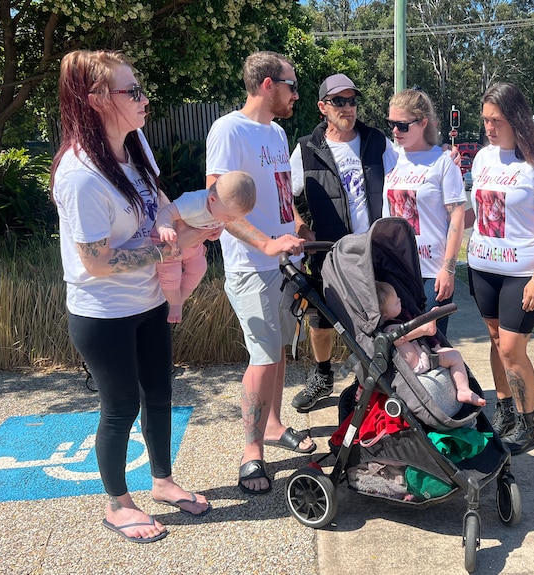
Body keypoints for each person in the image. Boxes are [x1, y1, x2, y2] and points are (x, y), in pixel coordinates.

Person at [50, 49, 212, 543]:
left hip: (147, 304)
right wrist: (170, 250)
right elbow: (95, 262)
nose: (144, 98)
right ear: (97, 99)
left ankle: (162, 482)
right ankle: (118, 504)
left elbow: (159, 203)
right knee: (119, 406)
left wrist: (170, 227)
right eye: (133, 91)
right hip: (103, 314)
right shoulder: (80, 174)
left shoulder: (136, 142)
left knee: (159, 393)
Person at [205, 51, 314, 496]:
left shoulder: (277, 131)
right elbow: (218, 202)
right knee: (263, 356)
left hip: (285, 262)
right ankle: (251, 452)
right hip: (253, 265)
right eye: (291, 84)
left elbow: (282, 195)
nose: (296, 93)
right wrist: (267, 243)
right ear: (268, 84)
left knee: (278, 352)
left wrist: (295, 229)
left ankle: (272, 424)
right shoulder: (229, 130)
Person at [289, 73, 399, 413]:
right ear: (323, 107)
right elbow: (283, 195)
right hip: (328, 252)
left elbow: (405, 177)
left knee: (375, 319)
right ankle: (323, 377)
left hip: (372, 250)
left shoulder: (377, 142)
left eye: (352, 101)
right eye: (339, 101)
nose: (347, 108)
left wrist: (441, 159)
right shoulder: (306, 149)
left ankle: (367, 382)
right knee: (321, 320)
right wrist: (300, 225)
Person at [467, 82, 534, 454]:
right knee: (496, 342)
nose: (490, 128)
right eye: (486, 121)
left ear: (516, 119)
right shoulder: (482, 159)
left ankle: (527, 424)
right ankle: (504, 411)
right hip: (482, 267)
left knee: (511, 347)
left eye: (497, 121)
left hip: (523, 271)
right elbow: (480, 210)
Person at [383, 88, 467, 336]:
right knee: (398, 346)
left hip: (432, 272)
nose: (396, 131)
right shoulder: (389, 156)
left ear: (423, 123)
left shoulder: (442, 162)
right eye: (391, 124)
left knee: (432, 343)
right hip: (394, 272)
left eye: (403, 125)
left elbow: (457, 217)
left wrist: (448, 269)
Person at [154, 170, 257, 323]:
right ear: (212, 199)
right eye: (230, 217)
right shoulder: (194, 202)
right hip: (171, 241)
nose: (231, 220)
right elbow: (167, 211)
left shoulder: (221, 206)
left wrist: (219, 228)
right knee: (171, 273)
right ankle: (174, 303)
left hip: (193, 244)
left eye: (236, 218)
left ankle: (180, 300)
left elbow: (221, 220)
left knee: (199, 269)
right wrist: (165, 227)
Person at [376, 281, 485, 407]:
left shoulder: (405, 315)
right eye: (396, 302)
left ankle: (463, 390)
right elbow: (395, 338)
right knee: (394, 334)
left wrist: (436, 346)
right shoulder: (386, 328)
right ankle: (424, 329)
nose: (400, 299)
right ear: (385, 315)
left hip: (426, 356)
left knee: (454, 355)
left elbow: (429, 341)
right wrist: (422, 331)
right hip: (406, 365)